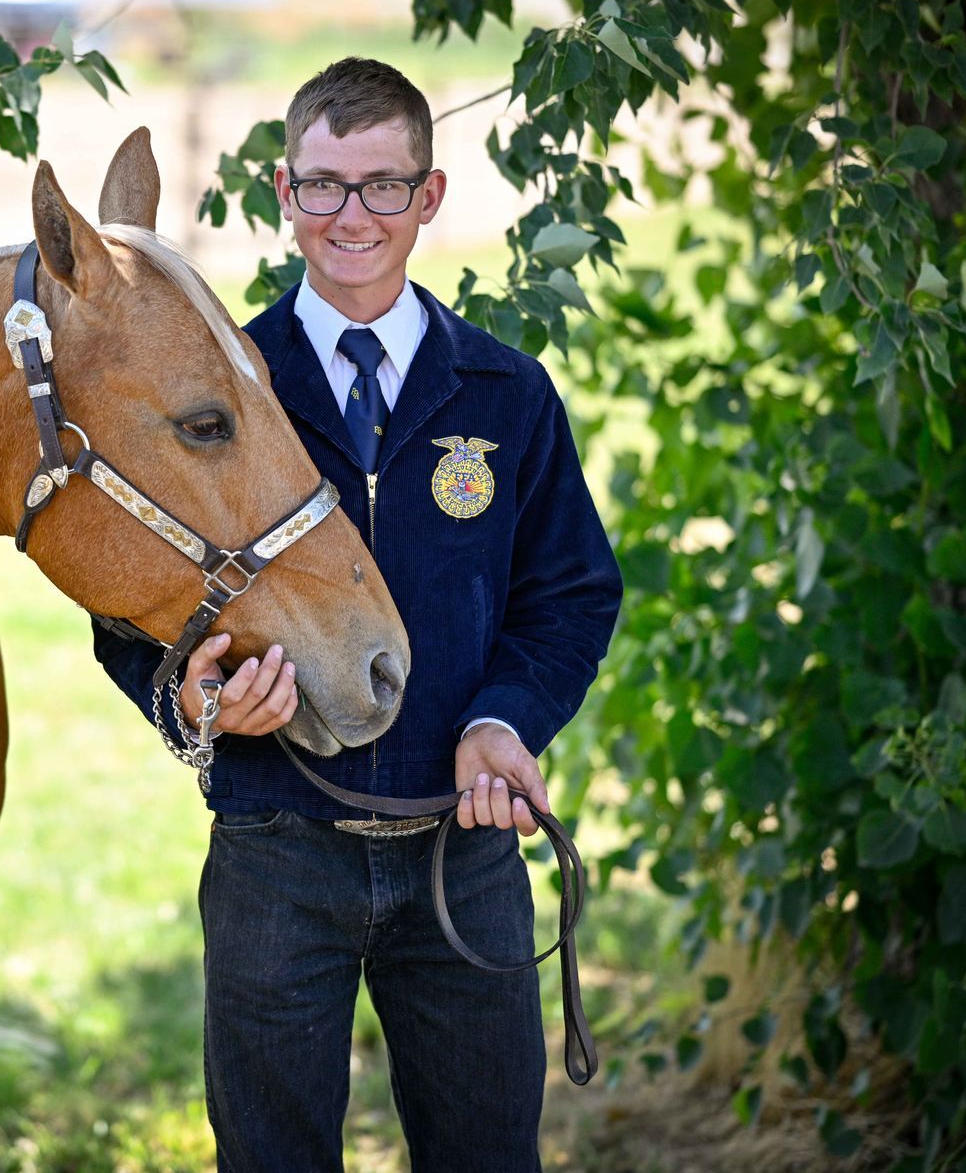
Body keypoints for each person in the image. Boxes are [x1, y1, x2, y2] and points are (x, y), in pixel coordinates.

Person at [91, 57, 623, 1170]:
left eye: (384, 185)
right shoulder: (220, 388)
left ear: (429, 197)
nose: (353, 215)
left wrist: (507, 719)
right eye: (326, 184)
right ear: (284, 193)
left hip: (462, 850)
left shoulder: (503, 392)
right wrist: (186, 690)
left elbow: (571, 593)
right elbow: (128, 603)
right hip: (276, 849)